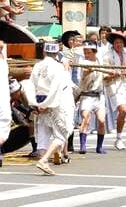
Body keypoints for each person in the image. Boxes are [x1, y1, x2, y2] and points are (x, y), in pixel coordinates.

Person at [31, 41, 76, 175]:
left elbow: (31, 85)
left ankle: (44, 160)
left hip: (40, 101)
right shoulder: (59, 68)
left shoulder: (37, 66)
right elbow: (59, 88)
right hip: (57, 104)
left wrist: (36, 104)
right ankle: (44, 160)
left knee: (43, 135)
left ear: (44, 52)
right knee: (62, 134)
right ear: (57, 53)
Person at [77, 41, 107, 154]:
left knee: (102, 120)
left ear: (94, 52)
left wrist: (113, 73)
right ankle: (82, 145)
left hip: (99, 96)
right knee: (86, 118)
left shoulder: (99, 61)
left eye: (89, 52)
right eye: (85, 52)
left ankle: (99, 146)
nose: (86, 54)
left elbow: (105, 74)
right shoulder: (83, 62)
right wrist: (88, 71)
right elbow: (83, 74)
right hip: (87, 95)